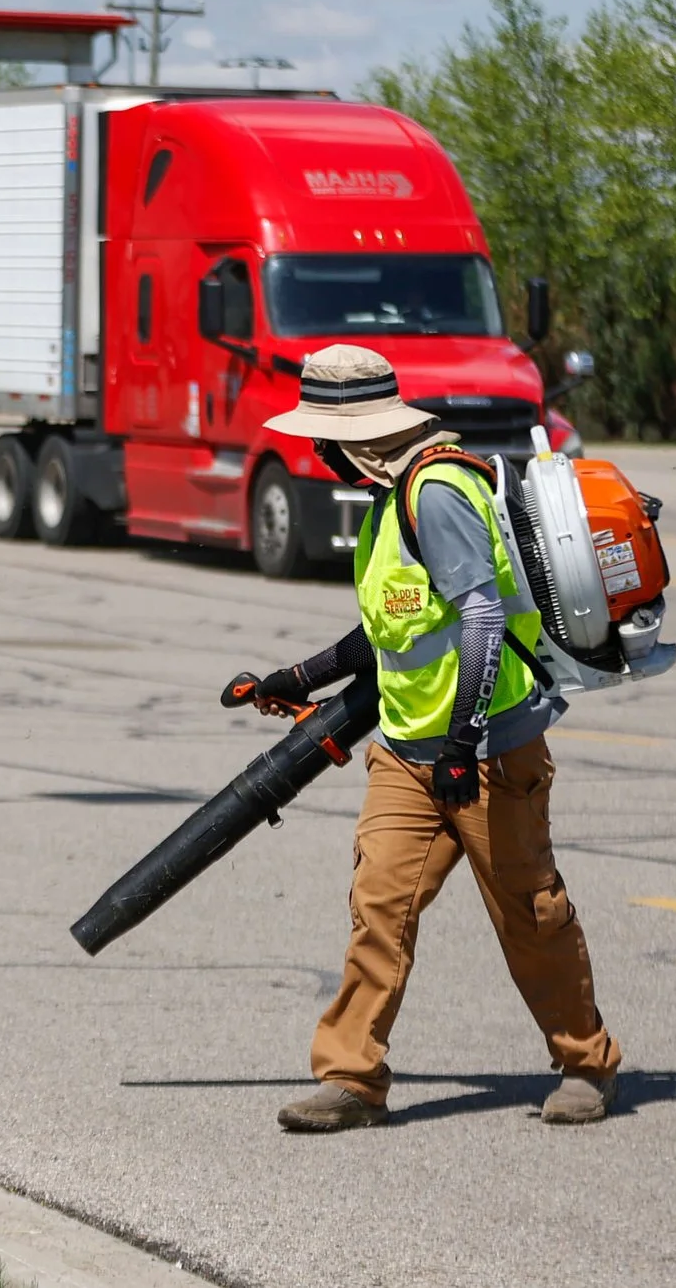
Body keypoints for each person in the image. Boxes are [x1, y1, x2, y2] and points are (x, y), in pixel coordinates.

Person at [241, 344, 621, 1131]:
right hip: (408, 752)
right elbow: (392, 628)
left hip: (488, 753)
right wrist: (298, 677)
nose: (318, 454)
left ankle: (587, 1062)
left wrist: (460, 744)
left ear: (358, 435)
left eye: (323, 440)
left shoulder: (437, 494)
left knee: (529, 912)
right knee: (378, 907)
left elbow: (481, 616)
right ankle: (351, 1079)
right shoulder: (390, 503)